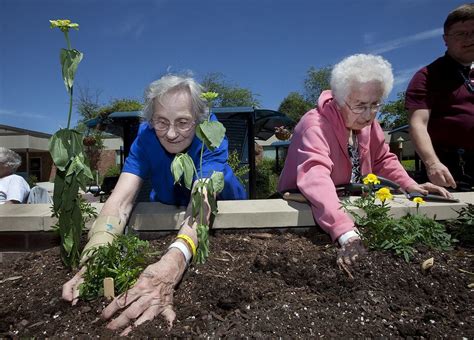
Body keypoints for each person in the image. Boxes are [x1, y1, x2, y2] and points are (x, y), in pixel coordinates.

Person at [62, 74, 247, 335]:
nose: (171, 134)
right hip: (167, 204)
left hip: (222, 210)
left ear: (199, 119)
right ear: (151, 120)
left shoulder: (212, 135)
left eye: (183, 122)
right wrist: (97, 252)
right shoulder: (146, 137)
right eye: (161, 122)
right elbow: (122, 199)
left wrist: (173, 262)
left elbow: (201, 204)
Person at [278, 54, 451, 273]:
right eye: (360, 105)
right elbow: (316, 178)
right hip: (304, 207)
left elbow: (383, 159)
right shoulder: (315, 126)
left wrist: (410, 186)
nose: (369, 115)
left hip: (345, 205)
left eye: (375, 104)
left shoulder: (370, 124)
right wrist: (346, 232)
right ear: (340, 99)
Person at [405, 3, 474, 190]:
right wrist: (432, 163)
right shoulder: (427, 76)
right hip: (451, 172)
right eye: (461, 33)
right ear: (446, 39)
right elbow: (417, 124)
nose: (470, 38)